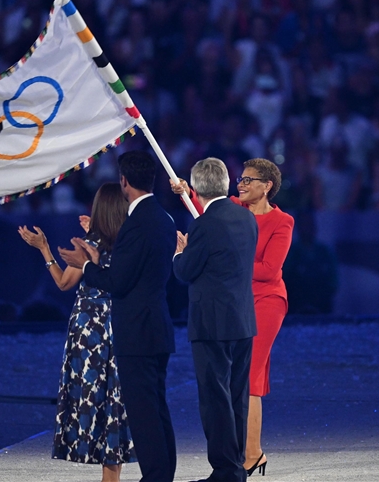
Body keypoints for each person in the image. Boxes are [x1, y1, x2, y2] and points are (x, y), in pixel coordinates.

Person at [59, 150, 177, 482]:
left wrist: (85, 265)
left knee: (144, 416)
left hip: (136, 333)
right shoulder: (164, 218)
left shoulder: (135, 224)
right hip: (158, 327)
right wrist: (96, 259)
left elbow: (118, 282)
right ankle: (163, 475)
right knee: (158, 411)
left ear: (124, 181)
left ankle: (155, 477)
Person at [172, 157, 294, 476]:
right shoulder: (238, 214)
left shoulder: (281, 222)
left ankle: (244, 456)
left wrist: (226, 263)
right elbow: (212, 213)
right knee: (243, 382)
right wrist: (188, 191)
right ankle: (247, 455)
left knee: (247, 378)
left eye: (249, 180)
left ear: (267, 186)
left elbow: (268, 270)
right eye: (240, 178)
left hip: (264, 300)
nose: (241, 183)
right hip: (239, 303)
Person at [18, 183, 134, 482]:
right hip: (120, 325)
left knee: (92, 398)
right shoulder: (132, 239)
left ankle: (107, 475)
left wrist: (44, 248)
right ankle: (112, 476)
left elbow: (63, 283)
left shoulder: (90, 241)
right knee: (116, 399)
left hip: (89, 331)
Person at [172, 157, 258, 482]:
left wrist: (181, 251)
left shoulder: (204, 225)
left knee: (215, 400)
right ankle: (235, 468)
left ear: (196, 188)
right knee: (236, 397)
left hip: (212, 325)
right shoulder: (246, 219)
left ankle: (225, 471)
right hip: (242, 321)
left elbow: (185, 271)